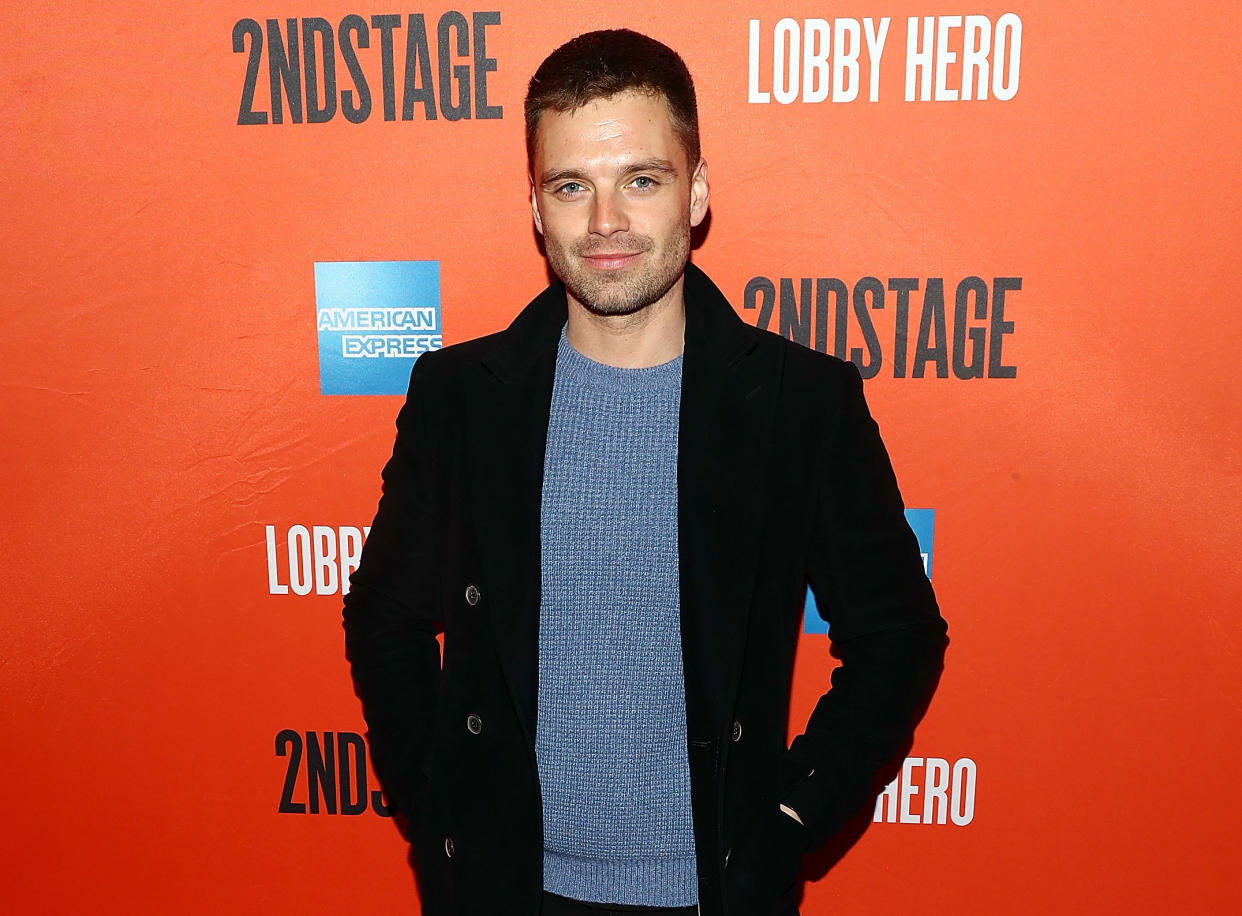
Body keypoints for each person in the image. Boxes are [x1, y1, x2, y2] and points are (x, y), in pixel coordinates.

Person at [343, 28, 947, 916]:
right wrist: (438, 799)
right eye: (571, 186)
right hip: (505, 890)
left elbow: (898, 635)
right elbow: (385, 617)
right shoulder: (459, 398)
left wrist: (788, 817)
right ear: (536, 208)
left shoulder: (799, 404)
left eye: (641, 179)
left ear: (696, 192)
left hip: (712, 893)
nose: (606, 223)